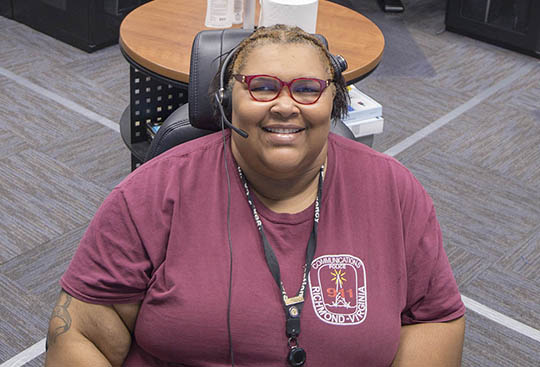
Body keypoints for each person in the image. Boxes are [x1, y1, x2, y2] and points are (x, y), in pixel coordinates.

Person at [45, 25, 465, 366]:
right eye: (262, 87)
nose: (285, 106)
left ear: (334, 101)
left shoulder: (393, 189)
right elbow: (80, 333)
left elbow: (434, 320)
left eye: (307, 88)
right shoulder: (152, 191)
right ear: (228, 100)